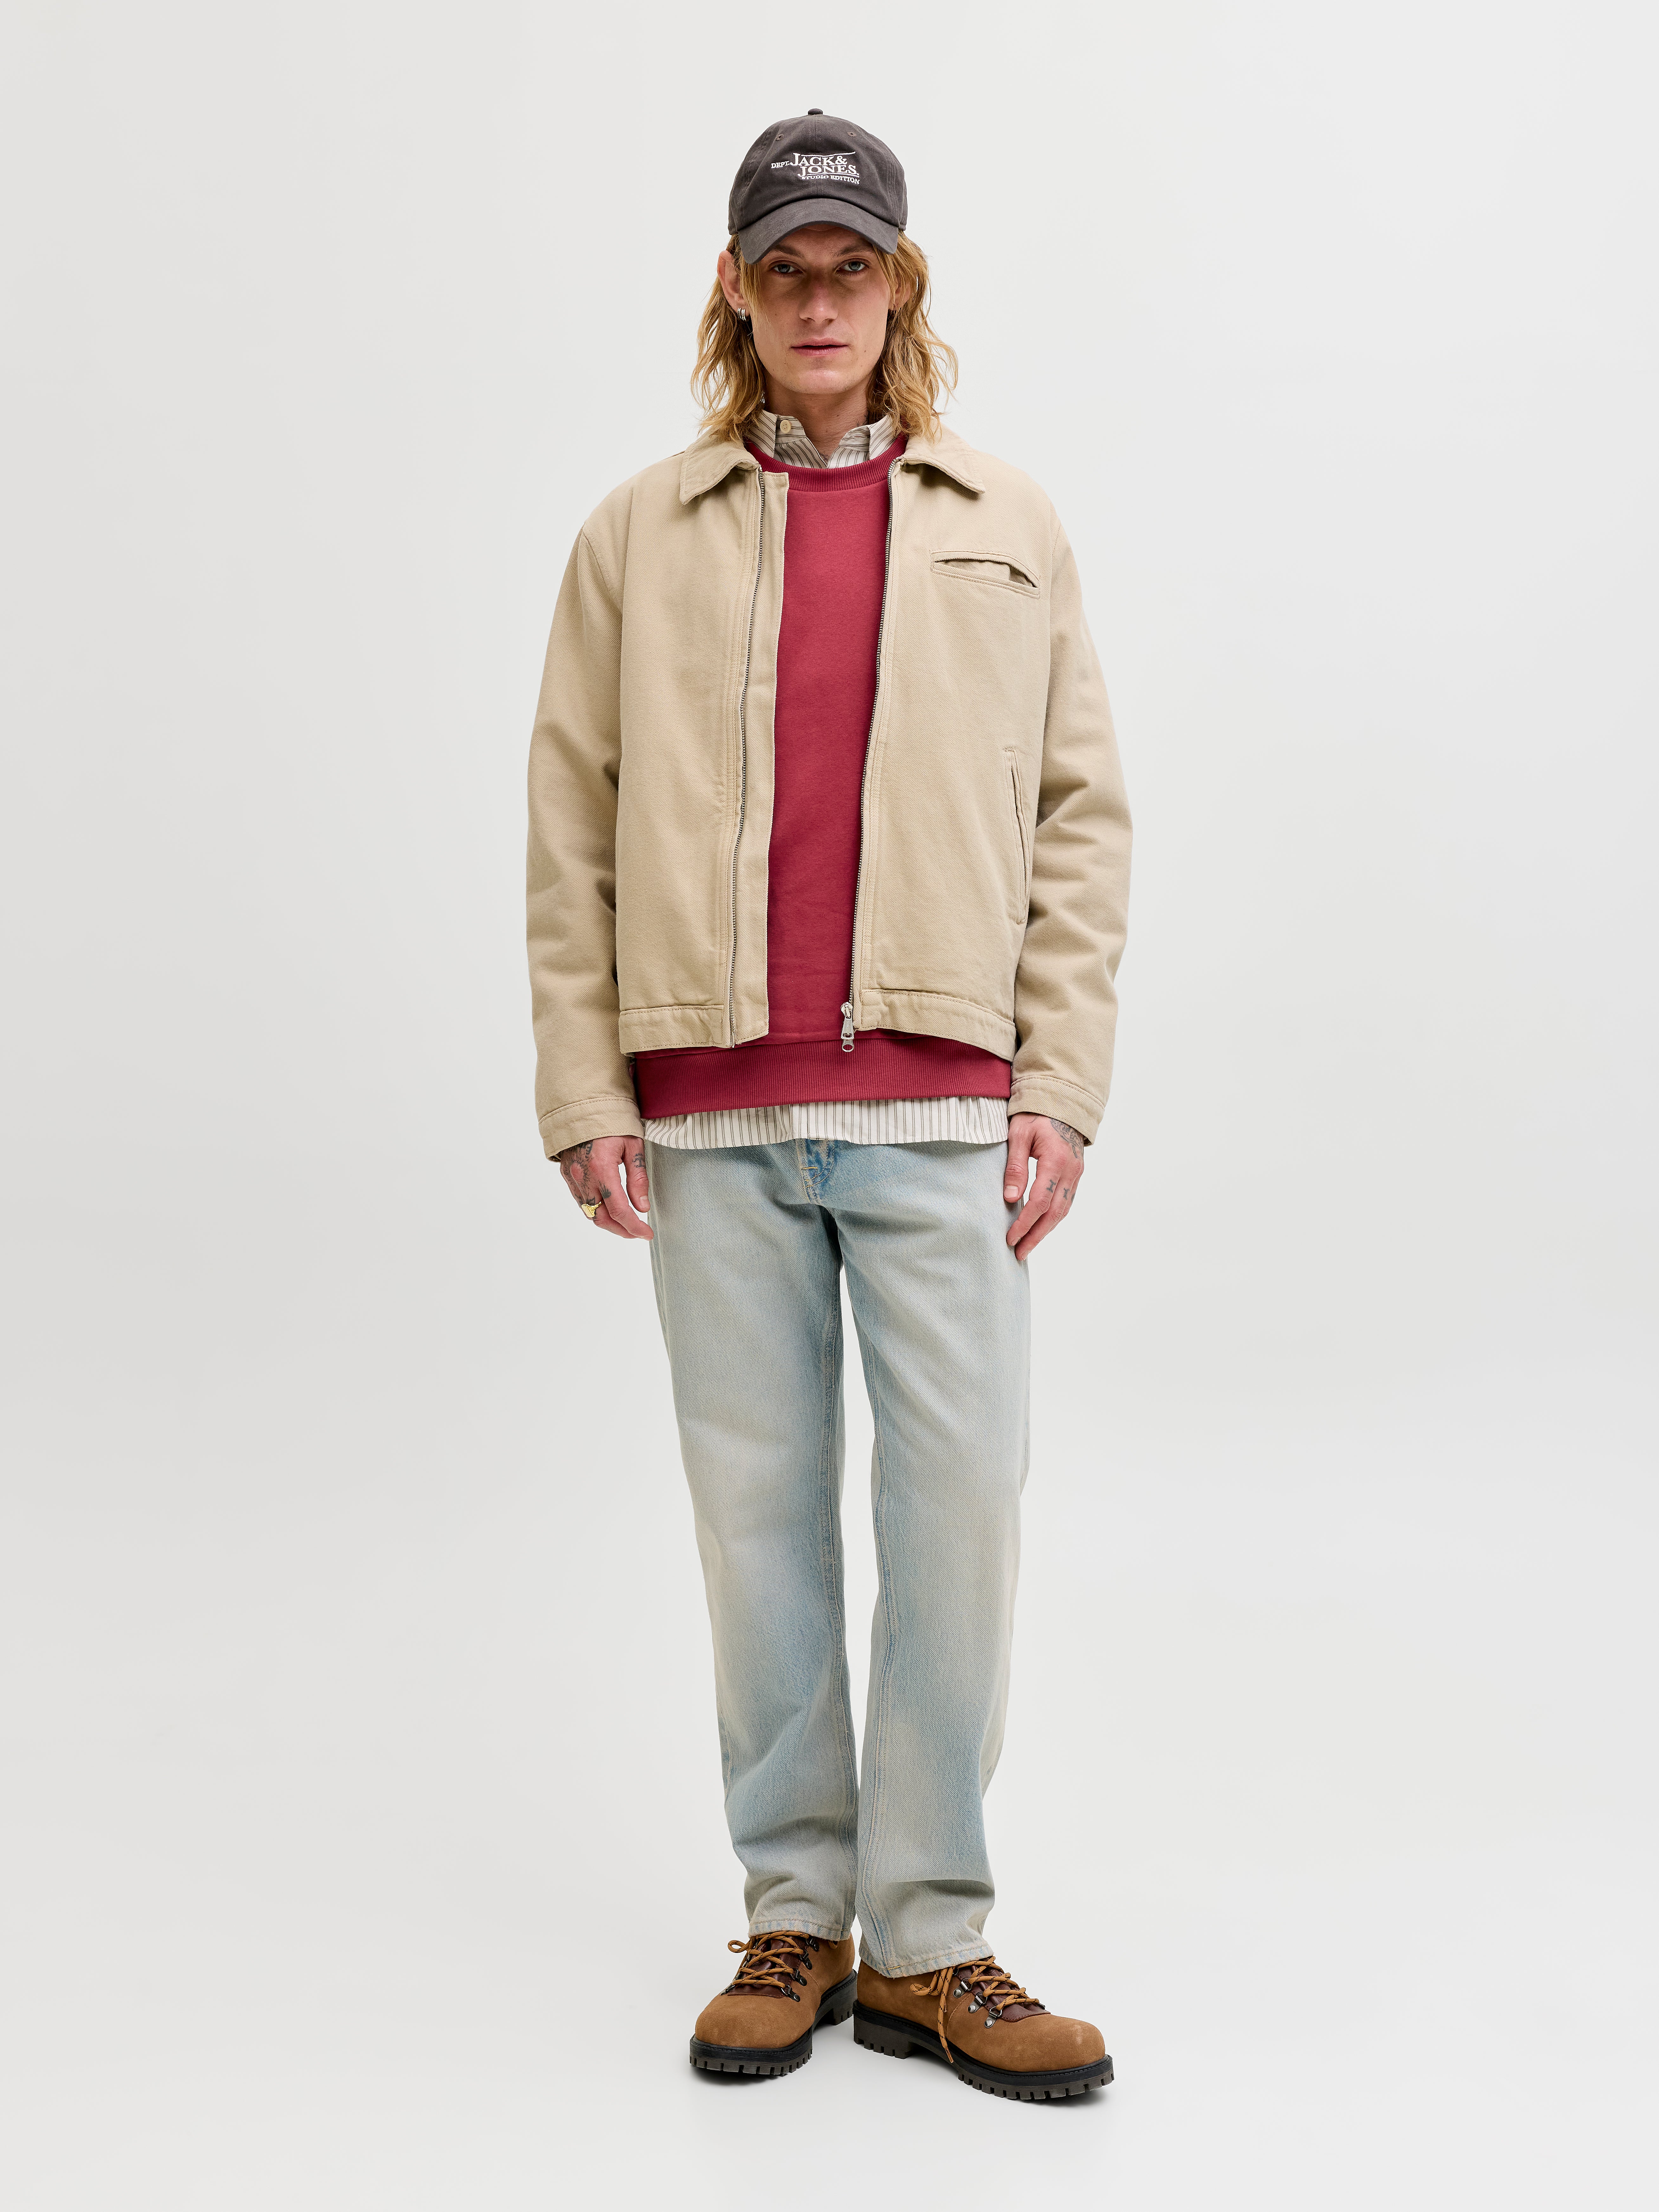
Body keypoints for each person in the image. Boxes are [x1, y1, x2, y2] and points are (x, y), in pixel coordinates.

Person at [526, 110, 1131, 2101]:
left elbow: (1078, 817)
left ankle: (930, 1939)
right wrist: (583, 1083)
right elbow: (569, 822)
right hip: (708, 1112)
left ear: (898, 286)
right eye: (782, 270)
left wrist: (1060, 1082)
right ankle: (796, 1910)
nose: (816, 303)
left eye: (847, 269)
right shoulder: (638, 534)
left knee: (958, 1507)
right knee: (757, 1524)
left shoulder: (1004, 520)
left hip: (942, 1103)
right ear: (733, 287)